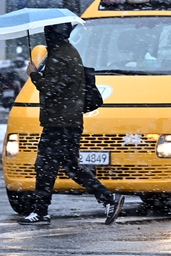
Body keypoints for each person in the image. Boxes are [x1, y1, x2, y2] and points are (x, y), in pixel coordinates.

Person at [19, 23, 124, 226]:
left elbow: (51, 88)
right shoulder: (66, 51)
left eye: (48, 32)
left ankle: (41, 212)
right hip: (67, 121)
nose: (46, 35)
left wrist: (33, 74)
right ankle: (107, 199)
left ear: (53, 33)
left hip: (60, 123)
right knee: (69, 167)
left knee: (45, 166)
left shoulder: (60, 55)